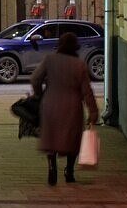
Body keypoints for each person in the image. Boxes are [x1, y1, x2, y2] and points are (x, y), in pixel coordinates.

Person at [31, 31, 98, 185]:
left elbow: (35, 79)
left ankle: (52, 166)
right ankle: (69, 171)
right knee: (72, 139)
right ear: (75, 47)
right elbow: (87, 91)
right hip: (72, 106)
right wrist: (93, 112)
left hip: (50, 103)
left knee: (51, 135)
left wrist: (39, 94)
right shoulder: (79, 65)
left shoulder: (49, 60)